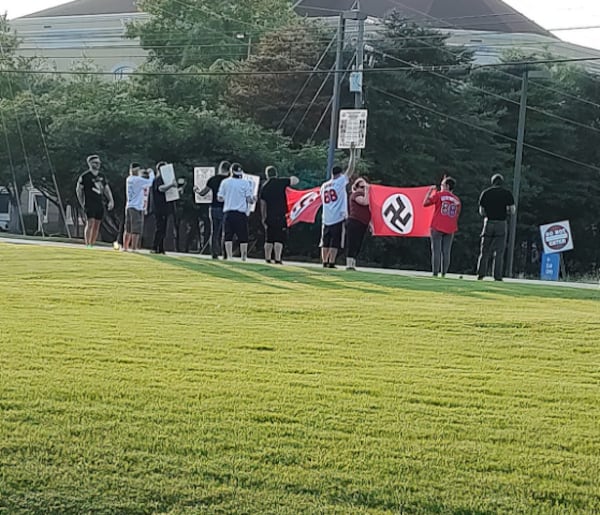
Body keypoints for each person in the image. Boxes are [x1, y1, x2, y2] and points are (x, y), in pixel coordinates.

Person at [320, 148, 356, 268]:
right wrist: (352, 153)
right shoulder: (341, 181)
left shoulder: (324, 186)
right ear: (340, 174)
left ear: (331, 174)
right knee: (335, 241)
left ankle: (324, 261)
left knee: (325, 241)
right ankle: (331, 261)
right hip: (337, 216)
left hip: (326, 216)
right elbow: (350, 169)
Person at [476, 173, 516, 281]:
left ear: (492, 182)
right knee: (499, 251)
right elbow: (512, 210)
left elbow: (481, 211)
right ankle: (497, 276)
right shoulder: (507, 194)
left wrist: (487, 214)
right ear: (502, 183)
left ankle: (481, 274)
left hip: (488, 222)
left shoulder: (486, 193)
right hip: (501, 223)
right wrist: (506, 211)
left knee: (484, 250)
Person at [260, 165, 299, 264]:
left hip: (269, 215)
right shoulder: (281, 182)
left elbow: (263, 204)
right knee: (279, 238)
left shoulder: (265, 186)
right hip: (281, 214)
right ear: (276, 173)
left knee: (269, 238)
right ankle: (277, 258)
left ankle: (267, 258)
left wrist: (263, 217)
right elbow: (295, 180)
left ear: (267, 175)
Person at [423, 176, 462, 277]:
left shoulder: (439, 195)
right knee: (446, 251)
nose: (441, 187)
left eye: (442, 185)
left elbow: (425, 203)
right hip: (450, 227)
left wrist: (430, 191)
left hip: (437, 225)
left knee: (436, 250)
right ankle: (444, 273)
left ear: (447, 186)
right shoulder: (457, 200)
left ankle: (435, 272)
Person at [217, 163, 256, 261]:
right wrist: (254, 199)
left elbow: (220, 198)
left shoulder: (225, 182)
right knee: (243, 235)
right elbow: (249, 199)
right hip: (240, 213)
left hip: (228, 211)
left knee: (228, 235)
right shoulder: (245, 183)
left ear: (231, 171)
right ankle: (243, 256)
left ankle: (229, 256)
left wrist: (228, 198)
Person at [194, 161, 231, 259]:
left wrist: (196, 190)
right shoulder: (229, 181)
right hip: (226, 208)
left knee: (214, 231)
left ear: (220, 168)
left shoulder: (213, 179)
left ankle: (214, 253)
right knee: (225, 232)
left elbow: (203, 193)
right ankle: (225, 254)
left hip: (214, 207)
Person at [76, 154, 114, 247]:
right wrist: (82, 202)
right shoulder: (85, 176)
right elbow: (79, 190)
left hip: (99, 202)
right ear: (90, 163)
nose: (97, 164)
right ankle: (87, 244)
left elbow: (106, 188)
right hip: (89, 202)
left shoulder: (102, 176)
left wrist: (111, 200)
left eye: (98, 163)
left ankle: (92, 244)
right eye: (95, 163)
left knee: (97, 224)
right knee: (90, 223)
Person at [123, 163, 155, 252]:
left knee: (128, 228)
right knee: (136, 229)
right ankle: (134, 247)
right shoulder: (138, 180)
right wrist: (151, 173)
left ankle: (125, 246)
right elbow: (150, 182)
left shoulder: (129, 179)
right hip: (137, 207)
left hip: (129, 205)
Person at [151, 161, 177, 254]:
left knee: (163, 229)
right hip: (159, 208)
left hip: (165, 208)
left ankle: (161, 248)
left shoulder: (165, 180)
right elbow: (160, 188)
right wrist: (171, 185)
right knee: (160, 228)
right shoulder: (158, 179)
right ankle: (155, 247)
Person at [345, 177, 370, 271]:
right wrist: (367, 190)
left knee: (358, 244)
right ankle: (349, 264)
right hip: (354, 221)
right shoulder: (356, 194)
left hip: (363, 223)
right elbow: (365, 202)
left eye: (365, 187)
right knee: (352, 243)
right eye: (362, 187)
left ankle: (353, 263)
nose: (364, 189)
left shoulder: (365, 195)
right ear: (357, 187)